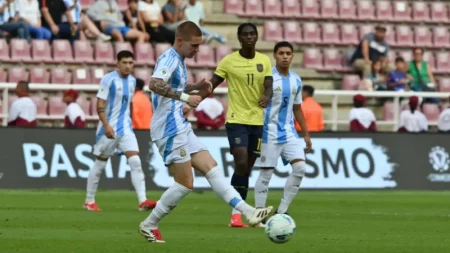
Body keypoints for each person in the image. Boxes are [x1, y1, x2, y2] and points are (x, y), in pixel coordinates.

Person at [139, 21, 272, 243]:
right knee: (184, 184)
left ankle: (249, 212)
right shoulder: (169, 58)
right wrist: (185, 97)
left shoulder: (179, 60)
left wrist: (195, 88)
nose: (197, 50)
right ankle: (149, 224)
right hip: (168, 128)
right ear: (180, 41)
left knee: (212, 168)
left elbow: (173, 87)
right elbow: (154, 84)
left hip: (179, 124)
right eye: (194, 45)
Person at [208, 23, 273, 228]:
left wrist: (267, 96)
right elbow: (212, 84)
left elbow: (269, 86)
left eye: (252, 33)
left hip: (257, 122)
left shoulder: (264, 61)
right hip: (236, 120)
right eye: (245, 34)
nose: (249, 37)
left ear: (256, 36)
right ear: (239, 37)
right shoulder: (228, 62)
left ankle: (239, 214)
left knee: (247, 168)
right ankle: (238, 214)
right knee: (242, 163)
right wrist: (194, 98)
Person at [83, 50, 156, 212]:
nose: (128, 66)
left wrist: (130, 122)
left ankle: (142, 200)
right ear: (117, 63)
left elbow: (128, 104)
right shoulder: (108, 80)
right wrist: (106, 126)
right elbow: (99, 105)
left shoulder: (131, 81)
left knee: (135, 161)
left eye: (131, 63)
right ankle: (89, 200)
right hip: (108, 129)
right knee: (100, 164)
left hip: (126, 129)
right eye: (125, 62)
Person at [253, 41, 312, 225]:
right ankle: (259, 217)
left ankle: (281, 211)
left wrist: (306, 133)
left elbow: (297, 108)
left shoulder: (296, 79)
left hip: (289, 132)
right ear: (275, 56)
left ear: (292, 56)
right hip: (268, 132)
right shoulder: (267, 77)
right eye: (281, 53)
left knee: (301, 168)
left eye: (288, 53)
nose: (285, 56)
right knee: (266, 174)